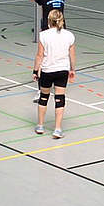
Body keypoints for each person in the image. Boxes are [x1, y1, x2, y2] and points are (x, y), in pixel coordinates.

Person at [33, 10, 76, 138]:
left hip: (47, 70)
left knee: (44, 97)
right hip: (62, 70)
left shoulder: (43, 35)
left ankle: (40, 126)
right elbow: (72, 55)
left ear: (48, 20)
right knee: (60, 99)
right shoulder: (69, 35)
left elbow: (39, 55)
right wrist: (72, 70)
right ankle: (57, 129)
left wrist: (35, 71)